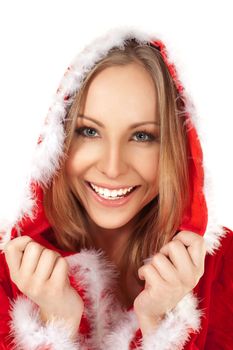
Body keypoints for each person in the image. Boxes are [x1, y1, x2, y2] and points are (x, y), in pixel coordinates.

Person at [0, 26, 232, 350]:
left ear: (179, 147)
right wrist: (56, 326)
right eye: (89, 131)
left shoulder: (224, 269)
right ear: (54, 140)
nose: (112, 167)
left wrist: (163, 325)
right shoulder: (6, 270)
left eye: (143, 136)